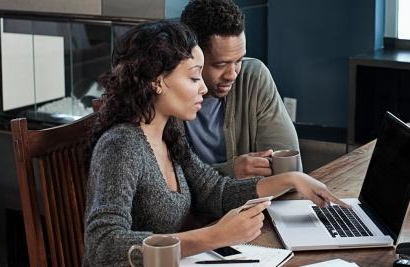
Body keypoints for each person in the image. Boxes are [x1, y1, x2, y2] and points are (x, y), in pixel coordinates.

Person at [83, 20, 346, 266]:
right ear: (158, 81)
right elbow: (102, 244)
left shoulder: (168, 132)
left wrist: (291, 179)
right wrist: (213, 237)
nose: (204, 89)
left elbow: (214, 191)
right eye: (194, 77)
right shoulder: (121, 145)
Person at [180, 0, 300, 178]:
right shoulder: (165, 92)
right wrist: (231, 171)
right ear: (191, 55)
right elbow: (164, 188)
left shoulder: (253, 76)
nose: (232, 74)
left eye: (238, 61)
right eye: (220, 64)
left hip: (252, 203)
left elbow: (288, 167)